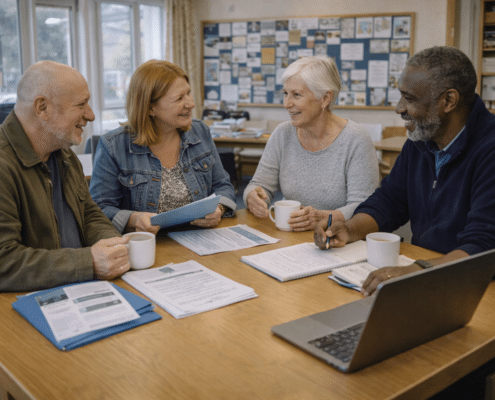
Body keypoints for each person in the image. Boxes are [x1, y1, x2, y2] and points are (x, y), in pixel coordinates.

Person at [314, 46, 495, 296]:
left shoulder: (489, 149)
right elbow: (390, 201)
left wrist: (419, 271)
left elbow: (483, 246)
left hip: (474, 286)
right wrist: (351, 228)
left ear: (449, 101)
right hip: (429, 274)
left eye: (410, 99)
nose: (399, 108)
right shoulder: (421, 140)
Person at [0, 60, 130, 292]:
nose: (90, 115)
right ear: (42, 108)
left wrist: (113, 246)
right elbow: (4, 261)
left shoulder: (64, 156)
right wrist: (88, 262)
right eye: (81, 104)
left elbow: (88, 214)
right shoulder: (3, 166)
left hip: (78, 288)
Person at [89, 60, 236, 235]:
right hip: (146, 247)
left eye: (188, 93)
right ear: (151, 107)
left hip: (200, 241)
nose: (191, 103)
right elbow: (98, 211)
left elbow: (223, 185)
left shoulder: (200, 131)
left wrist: (219, 208)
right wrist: (134, 219)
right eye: (179, 98)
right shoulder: (113, 145)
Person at [243, 56, 379, 231]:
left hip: (337, 239)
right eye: (285, 93)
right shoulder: (282, 134)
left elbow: (364, 208)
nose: (286, 104)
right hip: (291, 237)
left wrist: (325, 217)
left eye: (296, 95)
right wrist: (252, 196)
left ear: (325, 98)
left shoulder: (356, 138)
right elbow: (259, 185)